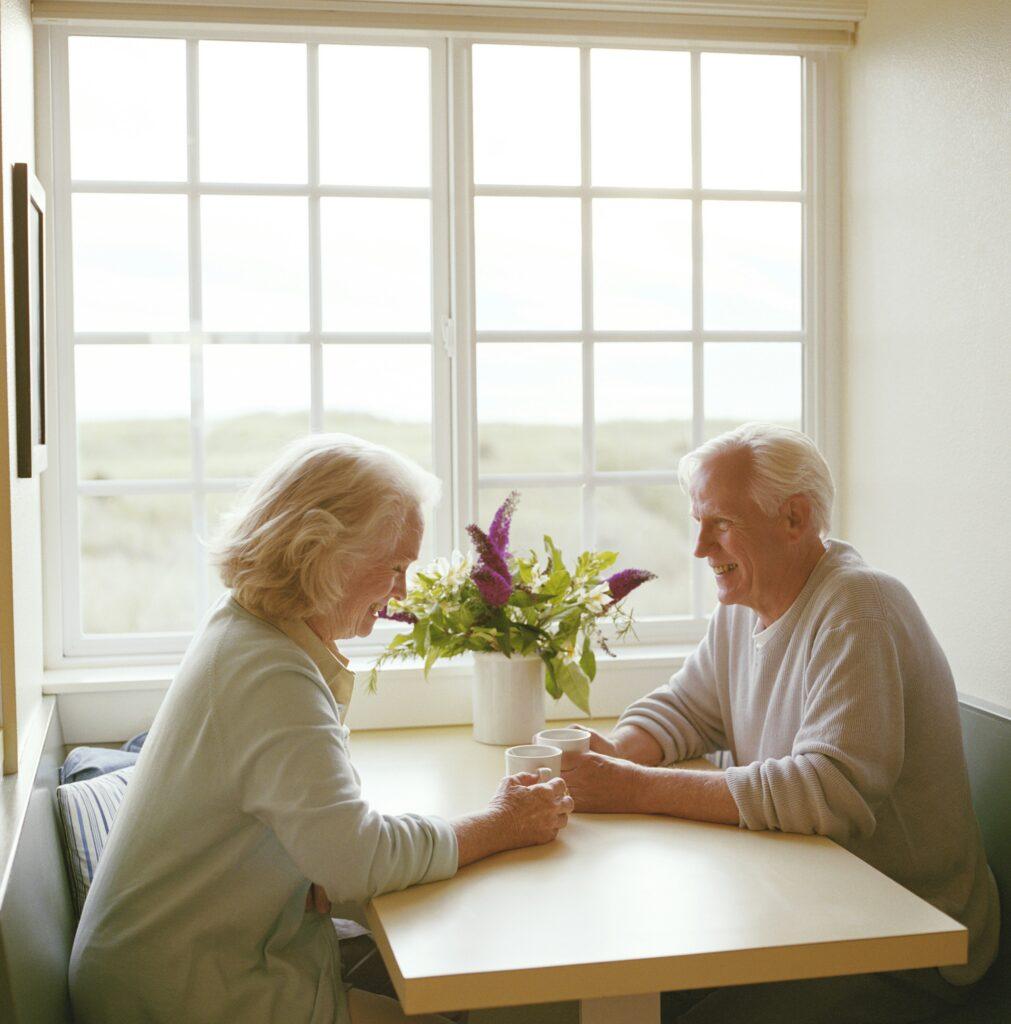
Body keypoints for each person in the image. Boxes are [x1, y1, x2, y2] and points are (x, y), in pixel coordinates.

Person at [69, 435, 573, 1024]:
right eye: (394, 567)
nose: (402, 594)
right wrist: (499, 824)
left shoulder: (251, 629)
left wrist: (318, 861)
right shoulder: (269, 671)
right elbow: (355, 861)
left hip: (189, 975)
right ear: (321, 551)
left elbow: (332, 847)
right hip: (191, 998)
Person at [561, 423, 1000, 1024]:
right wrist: (614, 753)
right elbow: (686, 707)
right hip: (810, 912)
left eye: (719, 524)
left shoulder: (859, 608)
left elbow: (826, 793)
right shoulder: (746, 605)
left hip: (908, 945)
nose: (699, 549)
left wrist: (629, 788)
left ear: (794, 519)